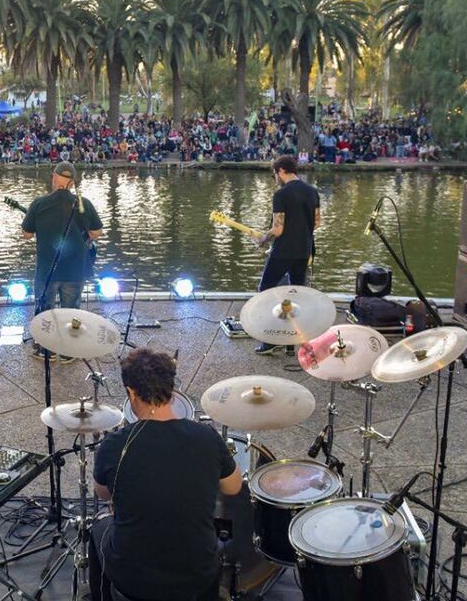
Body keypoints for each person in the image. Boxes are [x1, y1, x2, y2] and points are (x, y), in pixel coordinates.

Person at [90, 348, 243, 601]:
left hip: (135, 579)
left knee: (99, 526)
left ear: (132, 393)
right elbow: (233, 487)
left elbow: (102, 492)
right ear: (172, 391)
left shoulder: (115, 444)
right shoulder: (207, 437)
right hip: (198, 574)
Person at [21, 162, 102, 361]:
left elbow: (26, 234)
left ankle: (46, 349)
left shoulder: (39, 203)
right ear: (72, 183)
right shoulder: (84, 204)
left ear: (54, 178)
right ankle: (68, 352)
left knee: (44, 308)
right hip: (75, 270)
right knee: (72, 309)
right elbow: (96, 232)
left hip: (47, 270)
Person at [253, 155, 321, 355]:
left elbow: (278, 229)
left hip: (283, 251)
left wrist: (262, 239)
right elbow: (317, 223)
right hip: (304, 250)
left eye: (275, 173)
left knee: (265, 291)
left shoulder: (281, 195)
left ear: (282, 171)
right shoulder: (312, 191)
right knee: (297, 295)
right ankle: (292, 341)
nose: (275, 177)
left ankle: (271, 340)